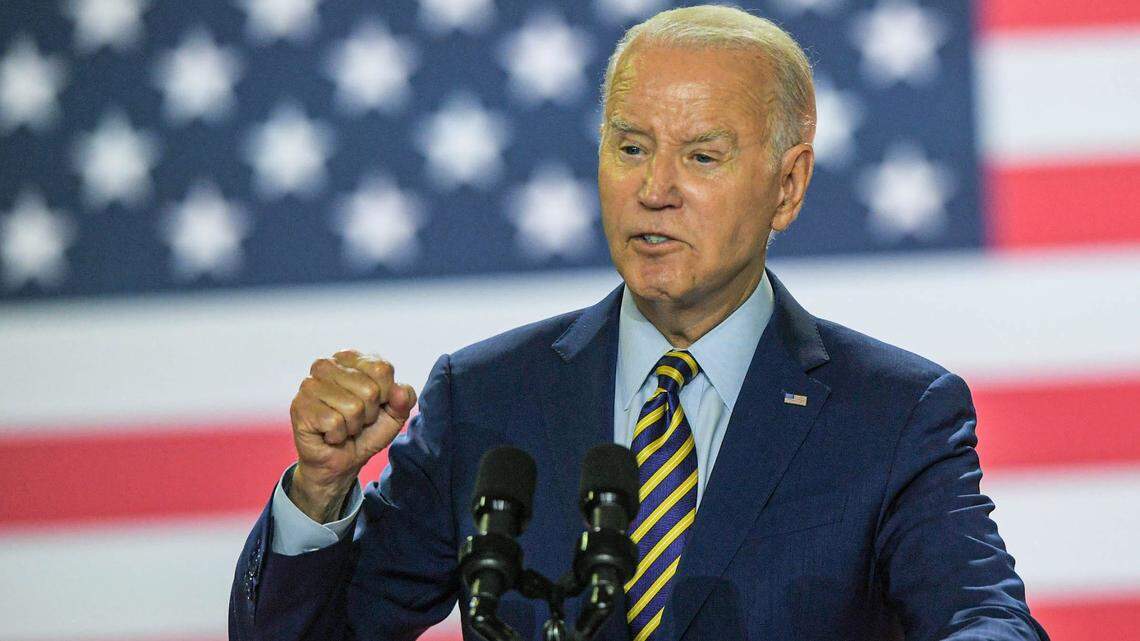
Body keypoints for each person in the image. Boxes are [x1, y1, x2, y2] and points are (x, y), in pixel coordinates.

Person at [229, 6, 1048, 641]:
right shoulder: (485, 396)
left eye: (701, 155)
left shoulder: (893, 414)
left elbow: (982, 613)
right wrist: (322, 488)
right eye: (629, 147)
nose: (654, 188)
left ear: (788, 186)